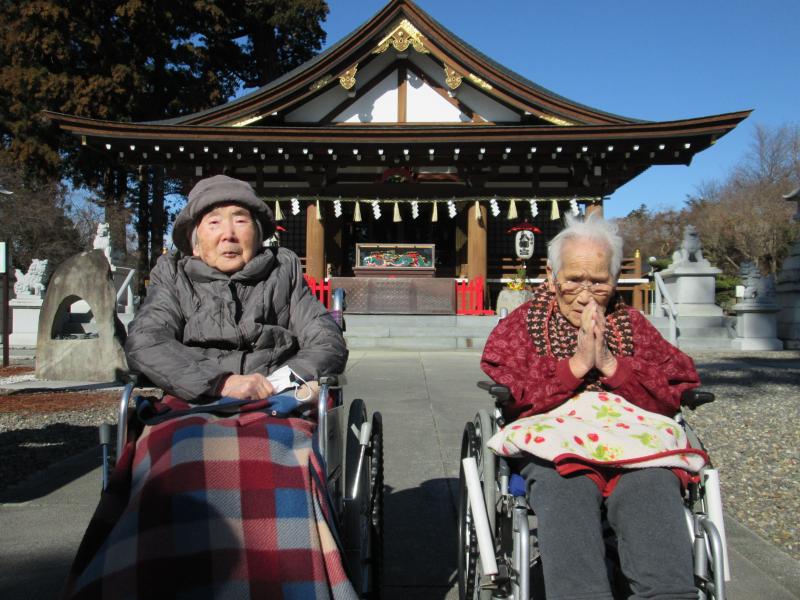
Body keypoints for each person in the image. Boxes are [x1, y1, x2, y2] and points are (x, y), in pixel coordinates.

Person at [63, 175, 355, 600]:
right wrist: (219, 382)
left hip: (273, 402)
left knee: (282, 455)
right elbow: (145, 342)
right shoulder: (173, 275)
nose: (229, 233)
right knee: (176, 455)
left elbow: (326, 341)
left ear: (260, 232)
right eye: (214, 222)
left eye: (241, 219)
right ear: (195, 239)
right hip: (190, 401)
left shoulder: (285, 273)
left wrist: (275, 382)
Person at [481, 213, 703, 600]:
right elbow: (512, 393)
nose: (585, 294)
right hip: (554, 447)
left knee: (652, 483)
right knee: (563, 486)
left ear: (614, 281)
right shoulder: (521, 326)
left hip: (637, 446)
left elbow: (677, 384)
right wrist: (577, 367)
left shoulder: (633, 324)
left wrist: (614, 367)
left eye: (599, 282)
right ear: (552, 276)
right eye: (574, 280)